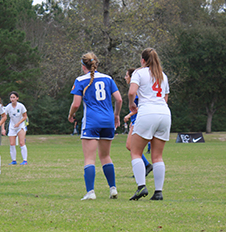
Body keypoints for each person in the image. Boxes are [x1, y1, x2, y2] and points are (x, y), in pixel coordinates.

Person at [68, 52, 122, 200]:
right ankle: (113, 189)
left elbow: (76, 104)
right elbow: (119, 99)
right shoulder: (108, 78)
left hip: (92, 121)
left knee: (89, 159)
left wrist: (71, 114)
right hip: (108, 121)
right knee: (105, 156)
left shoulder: (80, 80)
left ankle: (90, 192)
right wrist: (116, 115)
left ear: (82, 66)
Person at [128, 48, 171, 201]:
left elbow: (132, 92)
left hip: (147, 112)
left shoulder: (139, 73)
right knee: (158, 156)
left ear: (143, 60)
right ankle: (158, 192)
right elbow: (165, 98)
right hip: (164, 114)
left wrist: (132, 105)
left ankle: (141, 186)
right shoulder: (163, 76)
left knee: (135, 152)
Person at [123, 68, 153, 177]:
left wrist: (129, 115)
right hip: (136, 121)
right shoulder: (136, 89)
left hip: (139, 121)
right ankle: (145, 166)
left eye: (127, 75)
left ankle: (145, 166)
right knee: (130, 146)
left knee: (131, 146)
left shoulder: (137, 90)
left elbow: (141, 107)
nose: (125, 77)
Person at [1, 91, 28, 165]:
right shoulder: (8, 107)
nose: (12, 99)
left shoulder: (21, 106)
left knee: (21, 143)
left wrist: (18, 123)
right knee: (12, 143)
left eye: (14, 97)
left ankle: (25, 160)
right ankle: (14, 161)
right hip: (12, 127)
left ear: (17, 98)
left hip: (20, 126)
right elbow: (4, 117)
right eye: (11, 97)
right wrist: (3, 129)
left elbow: (25, 116)